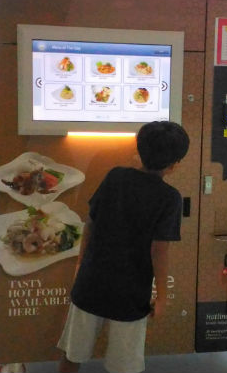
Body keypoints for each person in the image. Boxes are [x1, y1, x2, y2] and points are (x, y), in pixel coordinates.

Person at [57, 121, 190, 373]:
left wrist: (80, 264)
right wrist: (162, 296)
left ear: (138, 152)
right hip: (131, 292)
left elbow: (91, 223)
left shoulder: (115, 176)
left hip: (91, 282)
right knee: (124, 365)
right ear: (174, 165)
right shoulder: (170, 198)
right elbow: (159, 251)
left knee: (72, 353)